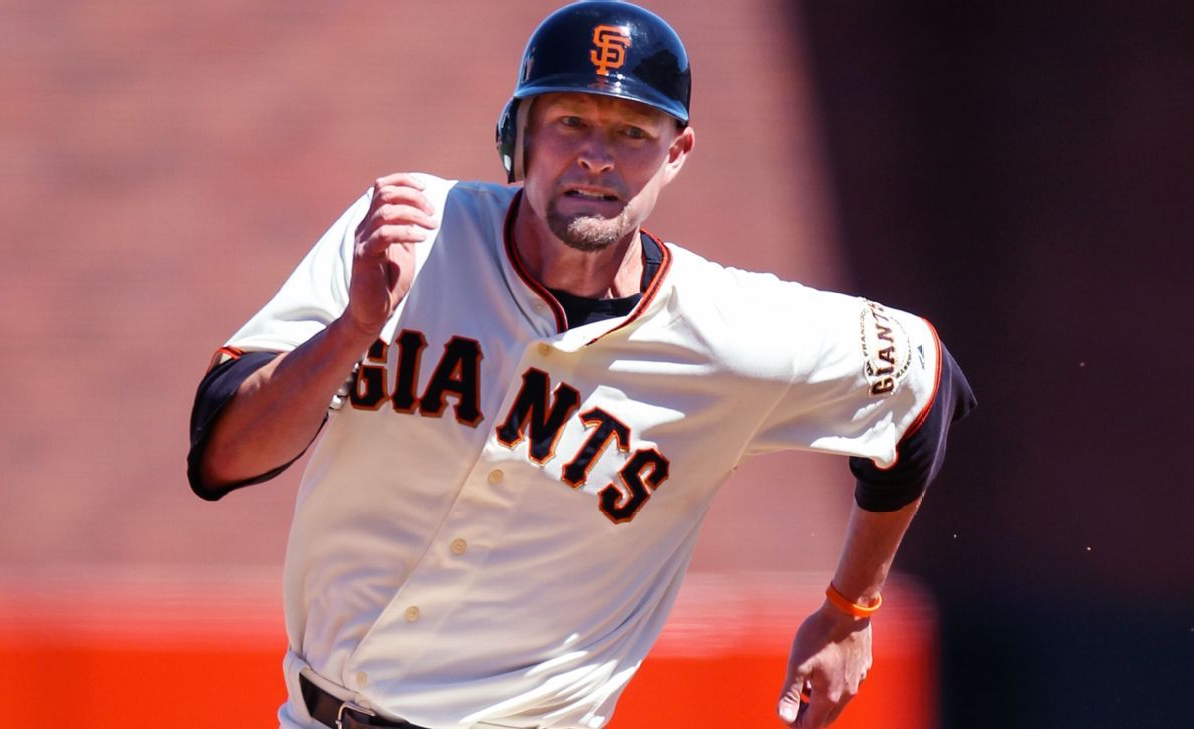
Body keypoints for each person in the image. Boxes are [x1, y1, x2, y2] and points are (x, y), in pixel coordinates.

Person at [188, 2, 974, 728]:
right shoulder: (407, 235)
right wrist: (355, 328)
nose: (598, 157)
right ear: (517, 135)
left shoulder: (731, 329)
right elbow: (224, 455)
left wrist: (850, 607)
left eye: (634, 131)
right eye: (570, 121)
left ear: (677, 153)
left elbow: (925, 387)